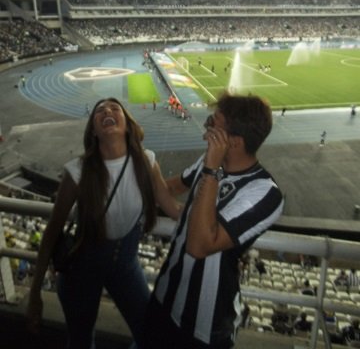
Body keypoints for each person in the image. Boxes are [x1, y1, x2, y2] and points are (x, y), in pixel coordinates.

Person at [26, 97, 181, 349]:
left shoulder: (146, 161)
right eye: (100, 111)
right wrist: (34, 294)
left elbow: (172, 208)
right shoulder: (78, 171)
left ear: (128, 125)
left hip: (125, 264)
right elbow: (53, 231)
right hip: (80, 270)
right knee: (80, 341)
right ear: (94, 131)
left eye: (114, 108)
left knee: (152, 335)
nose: (107, 110)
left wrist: (212, 219)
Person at [144, 92, 284, 349]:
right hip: (165, 296)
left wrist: (211, 169)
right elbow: (171, 188)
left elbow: (199, 246)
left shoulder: (264, 192)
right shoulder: (207, 162)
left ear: (234, 142)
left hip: (203, 327)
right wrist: (147, 166)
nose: (206, 128)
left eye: (213, 124)